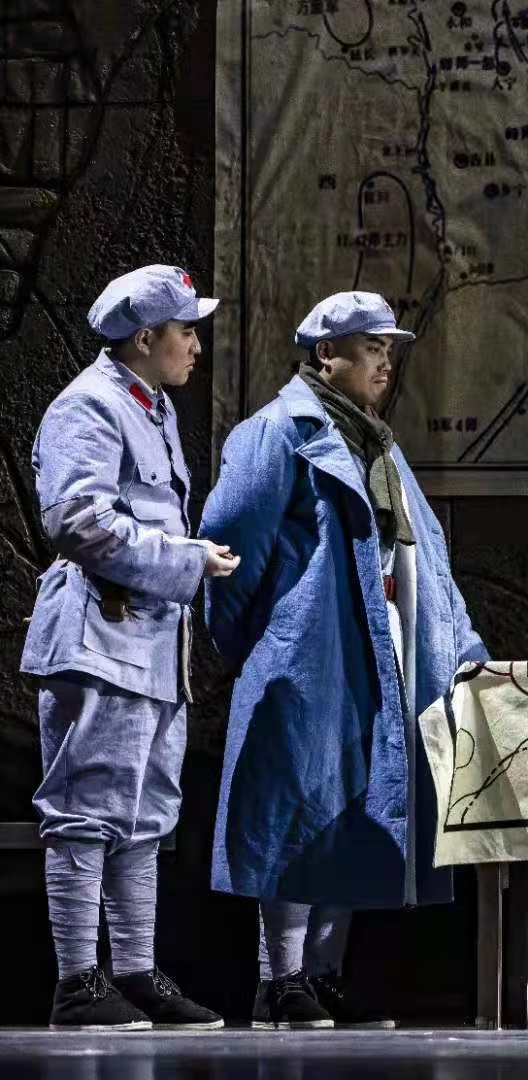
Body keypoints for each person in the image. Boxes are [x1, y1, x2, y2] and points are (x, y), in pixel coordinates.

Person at [200, 291, 489, 1029]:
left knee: (354, 812)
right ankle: (280, 979)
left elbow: (429, 556)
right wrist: (264, 644)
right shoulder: (277, 433)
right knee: (297, 807)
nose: (385, 364)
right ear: (327, 355)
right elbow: (233, 547)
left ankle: (323, 975)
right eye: (371, 348)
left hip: (380, 645)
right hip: (311, 650)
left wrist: (461, 650)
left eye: (389, 350)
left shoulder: (378, 446)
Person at [22, 265, 237, 1031]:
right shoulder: (90, 405)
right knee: (86, 811)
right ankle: (77, 981)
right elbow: (78, 522)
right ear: (145, 338)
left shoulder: (150, 407)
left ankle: (136, 972)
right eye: (185, 331)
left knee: (145, 816)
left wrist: (185, 562)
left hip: (147, 643)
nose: (195, 346)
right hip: (96, 636)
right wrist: (187, 560)